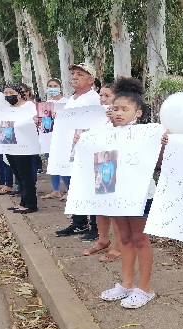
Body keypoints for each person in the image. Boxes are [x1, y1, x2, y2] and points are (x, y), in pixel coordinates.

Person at [100, 77, 158, 308]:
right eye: (115, 108)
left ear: (138, 112)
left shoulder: (147, 133)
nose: (119, 113)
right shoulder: (104, 133)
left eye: (125, 109)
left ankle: (145, 288)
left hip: (140, 195)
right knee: (124, 237)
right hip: (115, 194)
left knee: (140, 238)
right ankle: (126, 284)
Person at [53, 63, 101, 240]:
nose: (74, 76)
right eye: (73, 73)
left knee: (90, 188)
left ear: (91, 80)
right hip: (72, 151)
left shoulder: (93, 99)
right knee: (75, 187)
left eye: (80, 74)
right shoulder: (71, 99)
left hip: (88, 151)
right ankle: (79, 222)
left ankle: (95, 227)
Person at [83, 82, 123, 262]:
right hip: (100, 168)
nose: (103, 99)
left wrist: (114, 120)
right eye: (101, 95)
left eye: (107, 96)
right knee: (100, 207)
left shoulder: (124, 116)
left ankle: (118, 246)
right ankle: (103, 239)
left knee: (115, 210)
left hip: (116, 169)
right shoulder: (98, 117)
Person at [3, 84, 40, 214]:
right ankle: (23, 202)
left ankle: (31, 204)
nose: (8, 96)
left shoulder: (28, 106)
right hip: (10, 145)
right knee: (18, 175)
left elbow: (33, 122)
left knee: (26, 175)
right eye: (5, 93)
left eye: (10, 92)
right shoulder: (6, 108)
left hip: (24, 146)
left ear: (19, 93)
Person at [41, 78, 70, 200]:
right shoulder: (44, 105)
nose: (53, 88)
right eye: (50, 86)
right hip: (48, 138)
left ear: (61, 88)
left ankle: (70, 190)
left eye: (55, 86)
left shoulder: (67, 103)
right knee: (52, 163)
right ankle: (56, 190)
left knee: (63, 164)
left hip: (63, 138)